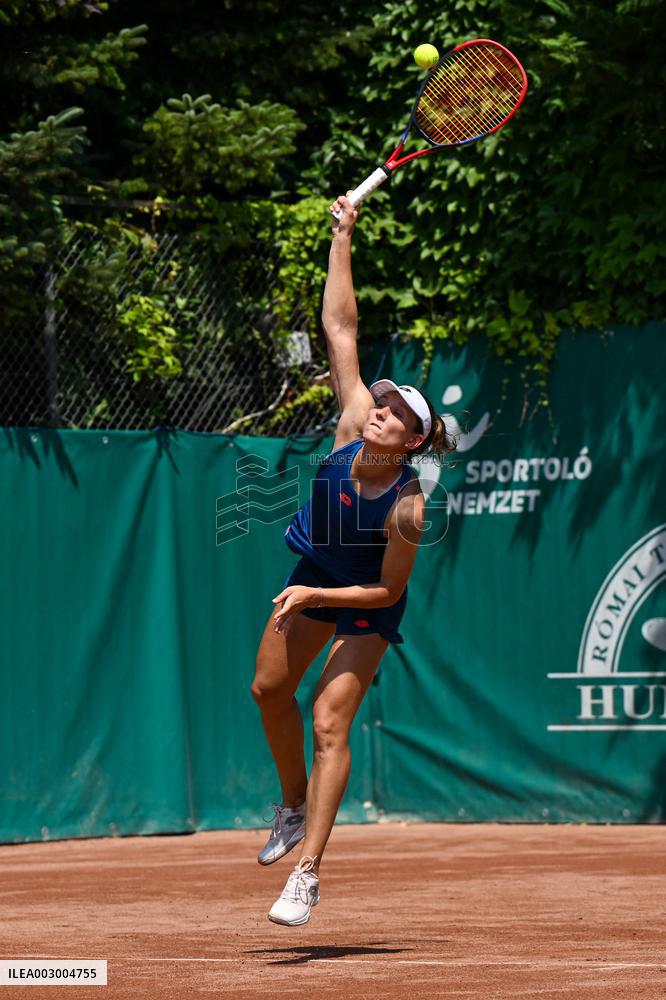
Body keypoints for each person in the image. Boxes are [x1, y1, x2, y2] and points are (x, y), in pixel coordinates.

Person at [250, 193, 456, 927]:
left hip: (365, 600)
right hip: (314, 578)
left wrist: (311, 599)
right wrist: (344, 235)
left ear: (412, 441)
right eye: (386, 399)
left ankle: (307, 873)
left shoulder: (408, 506)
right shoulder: (346, 425)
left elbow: (386, 589)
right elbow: (341, 326)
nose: (384, 408)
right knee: (268, 691)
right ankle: (292, 807)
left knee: (329, 719)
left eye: (401, 413)